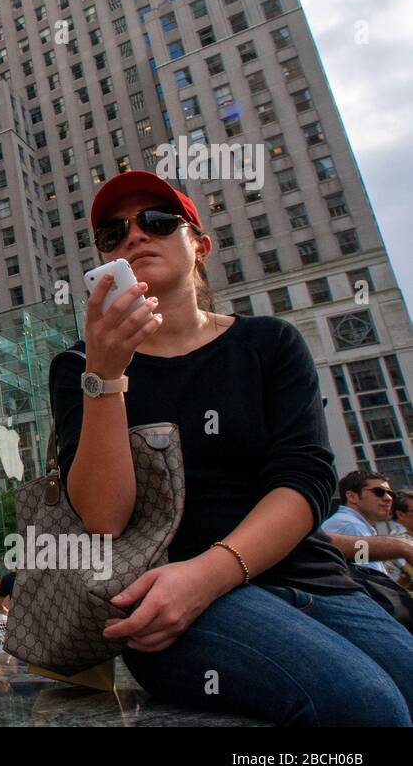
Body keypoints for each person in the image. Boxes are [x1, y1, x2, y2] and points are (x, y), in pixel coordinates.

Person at [52, 169, 413, 726]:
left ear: (199, 244)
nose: (134, 236)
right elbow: (104, 516)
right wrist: (106, 376)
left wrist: (210, 574)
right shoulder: (81, 365)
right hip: (166, 599)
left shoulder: (270, 343)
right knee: (367, 708)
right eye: (112, 232)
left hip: (305, 577)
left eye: (156, 221)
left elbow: (306, 477)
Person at [324, 472, 413, 578]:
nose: (388, 498)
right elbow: (373, 582)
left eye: (390, 494)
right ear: (352, 497)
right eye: (379, 492)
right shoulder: (351, 526)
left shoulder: (354, 523)